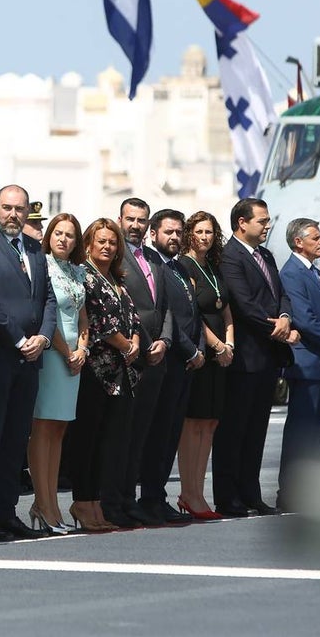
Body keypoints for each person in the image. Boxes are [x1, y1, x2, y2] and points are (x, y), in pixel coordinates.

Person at [0, 184, 57, 540]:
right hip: (2, 357)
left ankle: (7, 512)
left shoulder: (36, 249)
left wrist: (44, 336)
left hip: (31, 360)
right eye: (7, 208)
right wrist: (21, 340)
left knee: (16, 441)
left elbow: (49, 298)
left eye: (19, 209)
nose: (13, 214)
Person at [214, 197, 296, 517]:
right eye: (262, 221)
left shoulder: (266, 255)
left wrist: (286, 317)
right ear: (242, 223)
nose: (267, 226)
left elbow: (280, 293)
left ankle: (251, 493)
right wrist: (276, 328)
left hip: (267, 357)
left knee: (256, 431)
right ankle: (228, 495)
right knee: (234, 429)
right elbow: (244, 303)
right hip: (245, 357)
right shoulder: (230, 257)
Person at [67, 219, 141, 531]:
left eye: (113, 242)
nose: (108, 246)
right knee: (88, 441)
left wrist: (135, 339)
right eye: (101, 241)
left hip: (120, 374)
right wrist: (126, 345)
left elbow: (132, 317)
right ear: (88, 244)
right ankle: (82, 502)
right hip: (95, 373)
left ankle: (95, 503)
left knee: (106, 442)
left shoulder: (116, 278)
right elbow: (96, 321)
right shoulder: (85, 276)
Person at [275, 218, 320, 511]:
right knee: (302, 432)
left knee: (316, 431)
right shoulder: (292, 273)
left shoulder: (315, 273)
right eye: (315, 238)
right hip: (308, 362)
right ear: (298, 242)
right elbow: (305, 319)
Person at [138, 210, 205, 523]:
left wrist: (201, 349)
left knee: (170, 435)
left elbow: (195, 312)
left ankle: (158, 495)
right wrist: (191, 350)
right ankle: (149, 498)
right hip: (168, 360)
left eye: (179, 232)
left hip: (186, 365)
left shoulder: (180, 267)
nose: (175, 238)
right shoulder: (154, 267)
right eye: (169, 232)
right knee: (157, 434)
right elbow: (170, 318)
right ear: (154, 233)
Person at [28, 213, 89, 535]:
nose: (64, 239)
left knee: (59, 430)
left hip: (74, 357)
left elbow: (83, 317)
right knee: (43, 427)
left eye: (70, 235)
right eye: (59, 233)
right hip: (53, 352)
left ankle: (50, 502)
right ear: (49, 236)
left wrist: (83, 348)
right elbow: (46, 313)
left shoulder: (77, 270)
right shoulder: (43, 266)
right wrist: (67, 352)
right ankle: (44, 503)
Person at [115, 197, 173, 528]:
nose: (136, 225)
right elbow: (127, 308)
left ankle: (132, 498)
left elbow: (163, 307)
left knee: (142, 436)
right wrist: (149, 343)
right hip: (131, 355)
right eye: (131, 219)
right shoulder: (114, 255)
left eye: (141, 220)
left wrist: (164, 340)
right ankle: (118, 499)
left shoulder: (154, 259)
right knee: (123, 435)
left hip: (156, 358)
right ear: (120, 219)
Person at [177, 211, 233, 520]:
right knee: (193, 423)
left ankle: (198, 491)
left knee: (210, 423)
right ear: (189, 233)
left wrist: (230, 343)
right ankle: (188, 491)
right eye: (199, 231)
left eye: (210, 232)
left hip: (222, 354)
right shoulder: (186, 266)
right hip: (202, 350)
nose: (205, 237)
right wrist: (217, 346)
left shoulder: (213, 266)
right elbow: (194, 314)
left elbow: (225, 310)